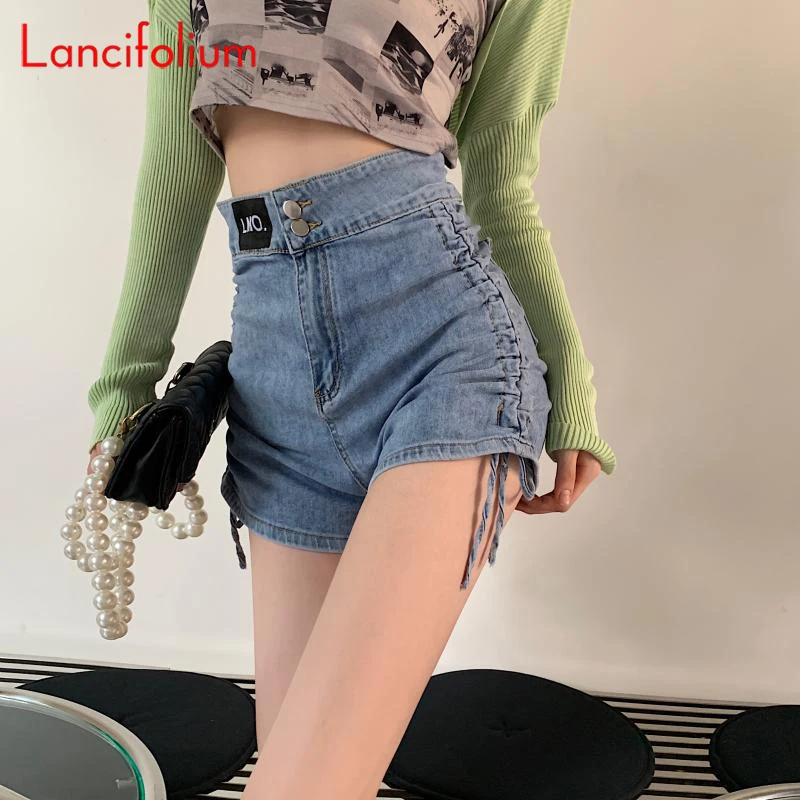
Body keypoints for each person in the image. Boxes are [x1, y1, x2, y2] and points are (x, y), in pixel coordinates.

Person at [86, 0, 616, 797]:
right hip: (272, 365)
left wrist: (571, 387)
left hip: (445, 348)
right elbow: (174, 170)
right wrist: (125, 386)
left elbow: (504, 191)